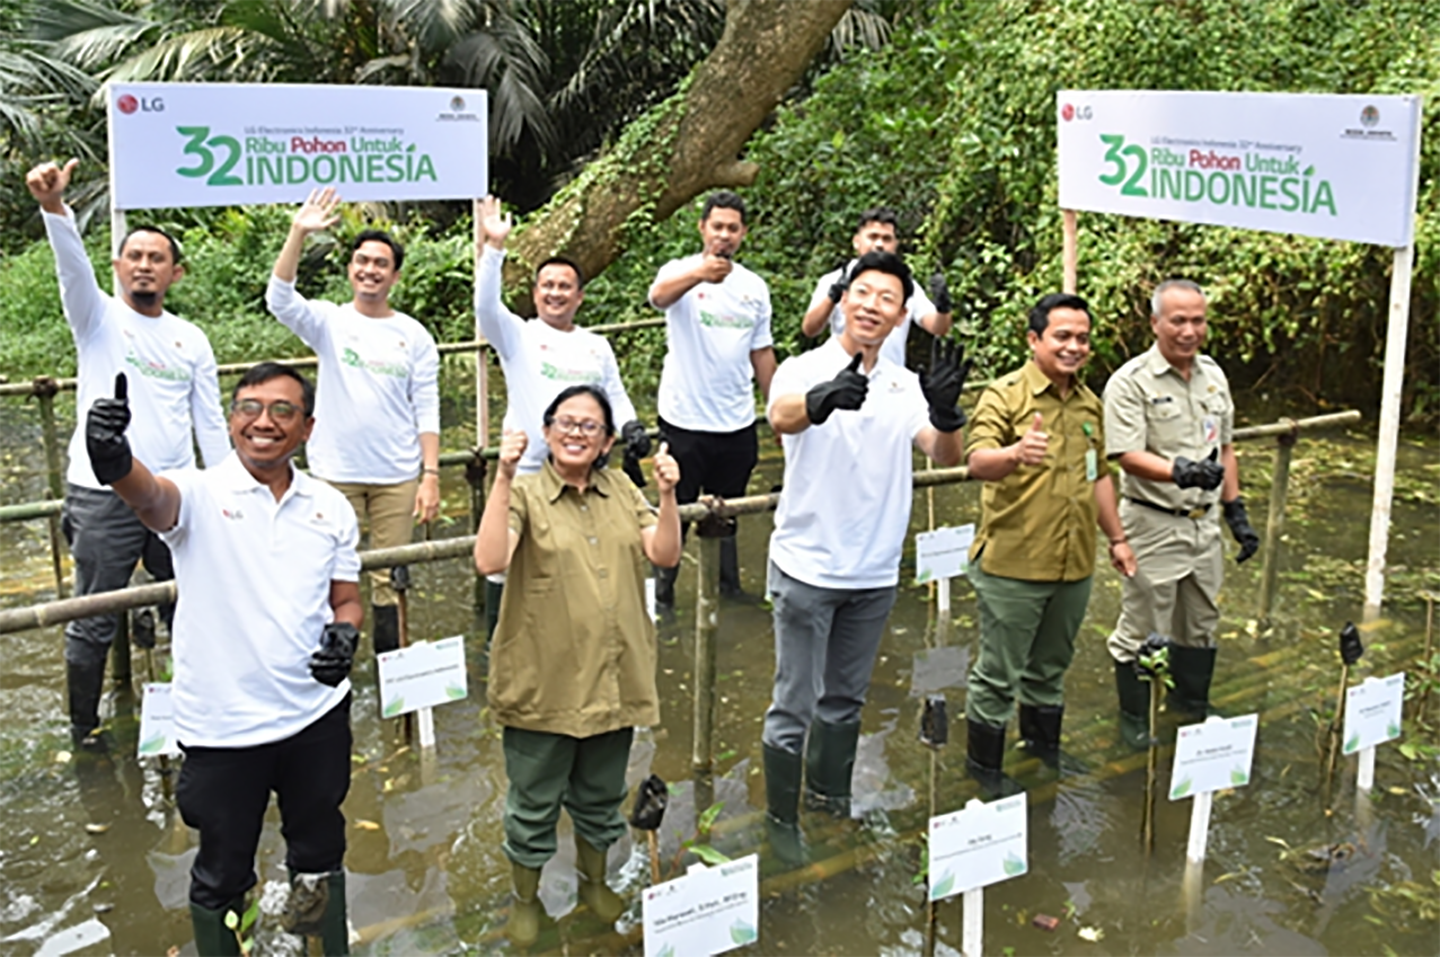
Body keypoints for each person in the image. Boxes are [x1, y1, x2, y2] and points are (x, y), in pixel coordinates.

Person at [85, 362, 362, 956]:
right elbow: (150, 497)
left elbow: (346, 598)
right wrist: (114, 460)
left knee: (320, 850)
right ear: (232, 421)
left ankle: (324, 947)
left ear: (308, 427)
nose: (264, 422)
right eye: (249, 408)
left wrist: (346, 634)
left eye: (283, 410)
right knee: (223, 867)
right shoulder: (198, 493)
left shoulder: (331, 505)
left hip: (315, 717)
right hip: (224, 728)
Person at [761, 251, 966, 863]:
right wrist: (822, 399)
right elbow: (779, 416)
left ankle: (830, 800)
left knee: (846, 699)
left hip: (874, 571)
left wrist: (948, 412)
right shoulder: (804, 367)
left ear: (902, 315)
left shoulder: (904, 384)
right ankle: (780, 821)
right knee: (794, 702)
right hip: (806, 565)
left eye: (887, 299)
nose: (872, 306)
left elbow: (944, 455)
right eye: (863, 293)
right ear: (844, 299)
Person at [25, 158, 230, 749]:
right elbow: (71, 269)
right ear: (117, 267)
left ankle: (199, 713)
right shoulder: (97, 319)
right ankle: (85, 734)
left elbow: (210, 423)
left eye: (156, 258)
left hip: (174, 493)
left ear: (175, 273)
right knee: (93, 615)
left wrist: (226, 489)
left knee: (189, 603)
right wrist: (54, 209)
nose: (144, 264)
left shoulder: (191, 339)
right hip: (101, 492)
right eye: (133, 256)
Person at [475, 384, 680, 945]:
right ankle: (526, 898)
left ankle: (593, 881)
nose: (575, 432)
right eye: (565, 422)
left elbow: (664, 553)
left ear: (608, 441)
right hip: (543, 682)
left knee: (601, 796)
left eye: (590, 426)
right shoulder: (524, 493)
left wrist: (667, 496)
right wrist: (501, 475)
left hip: (614, 675)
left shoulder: (622, 489)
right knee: (533, 803)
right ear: (546, 432)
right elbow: (490, 560)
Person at [962, 293, 1136, 792]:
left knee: (1051, 670)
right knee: (998, 675)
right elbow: (976, 462)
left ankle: (1043, 757)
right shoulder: (1004, 395)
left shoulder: (1089, 404)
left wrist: (1117, 539)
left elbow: (1098, 475)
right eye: (1062, 336)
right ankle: (984, 774)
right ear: (1034, 339)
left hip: (1073, 565)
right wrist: (1015, 453)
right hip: (1013, 564)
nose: (1074, 346)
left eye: (1082, 338)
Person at [266, 187, 440, 655]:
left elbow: (426, 408)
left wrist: (430, 475)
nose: (370, 270)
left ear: (395, 276)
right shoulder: (329, 322)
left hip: (396, 476)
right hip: (334, 472)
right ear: (350, 269)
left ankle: (390, 671)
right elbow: (279, 299)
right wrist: (298, 232)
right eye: (362, 261)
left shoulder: (414, 336)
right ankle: (326, 669)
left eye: (381, 264)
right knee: (326, 568)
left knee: (390, 577)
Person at [474, 195, 647, 633]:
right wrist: (494, 247)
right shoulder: (517, 336)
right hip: (527, 468)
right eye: (547, 285)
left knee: (573, 557)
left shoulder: (596, 346)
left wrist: (631, 426)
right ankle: (498, 640)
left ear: (579, 296)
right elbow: (485, 308)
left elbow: (615, 396)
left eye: (564, 286)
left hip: (581, 469)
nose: (555, 293)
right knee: (504, 562)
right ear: (535, 294)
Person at [1104, 279, 1260, 749]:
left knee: (1201, 618)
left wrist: (1236, 512)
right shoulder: (1131, 382)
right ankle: (1133, 719)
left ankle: (1191, 705)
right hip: (1153, 520)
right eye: (1178, 321)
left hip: (1204, 525)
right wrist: (1180, 471)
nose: (1189, 331)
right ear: (1155, 323)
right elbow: (1126, 454)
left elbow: (1225, 448)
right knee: (1143, 623)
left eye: (1198, 320)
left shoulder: (1213, 376)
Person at [648, 190, 776, 604]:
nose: (724, 235)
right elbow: (658, 297)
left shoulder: (754, 287)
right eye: (717, 226)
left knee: (728, 512)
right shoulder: (678, 272)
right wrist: (699, 274)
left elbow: (762, 352)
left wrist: (776, 409)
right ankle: (662, 595)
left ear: (743, 233)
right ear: (702, 227)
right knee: (677, 510)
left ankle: (728, 590)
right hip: (684, 420)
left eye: (732, 228)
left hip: (736, 420)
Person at [800, 207, 953, 368]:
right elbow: (810, 329)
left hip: (890, 378)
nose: (879, 244)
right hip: (839, 376)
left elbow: (937, 328)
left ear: (895, 245)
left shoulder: (905, 286)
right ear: (856, 241)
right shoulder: (833, 279)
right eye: (872, 237)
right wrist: (832, 297)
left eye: (886, 239)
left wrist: (943, 307)